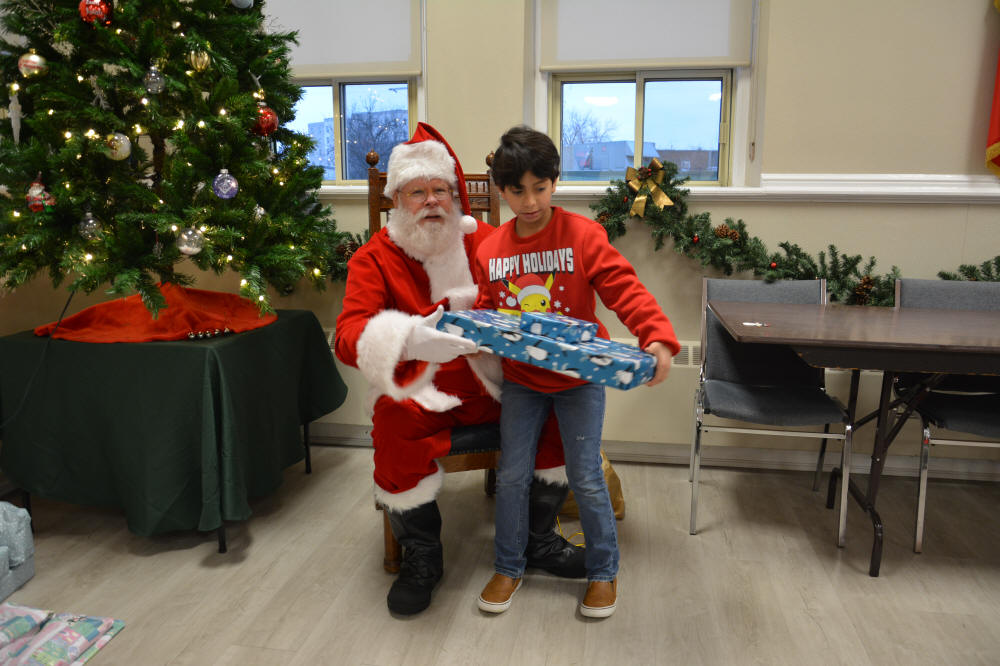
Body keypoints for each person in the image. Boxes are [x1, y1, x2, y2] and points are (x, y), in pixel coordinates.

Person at [334, 123, 584, 617]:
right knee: (394, 422)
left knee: (560, 407)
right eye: (417, 191)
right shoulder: (374, 258)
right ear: (396, 200)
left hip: (500, 385)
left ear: (455, 196)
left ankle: (537, 540)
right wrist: (409, 338)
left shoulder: (489, 242)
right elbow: (347, 338)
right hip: (423, 391)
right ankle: (422, 556)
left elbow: (540, 296)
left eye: (440, 190)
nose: (431, 201)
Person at [472, 125, 679, 618]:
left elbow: (623, 288)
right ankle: (508, 565)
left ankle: (603, 571)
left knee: (585, 477)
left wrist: (655, 335)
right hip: (522, 382)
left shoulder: (583, 235)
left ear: (555, 181)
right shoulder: (489, 250)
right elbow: (487, 310)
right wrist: (471, 331)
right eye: (517, 190)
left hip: (579, 382)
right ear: (501, 190)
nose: (529, 201)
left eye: (540, 188)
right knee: (512, 476)